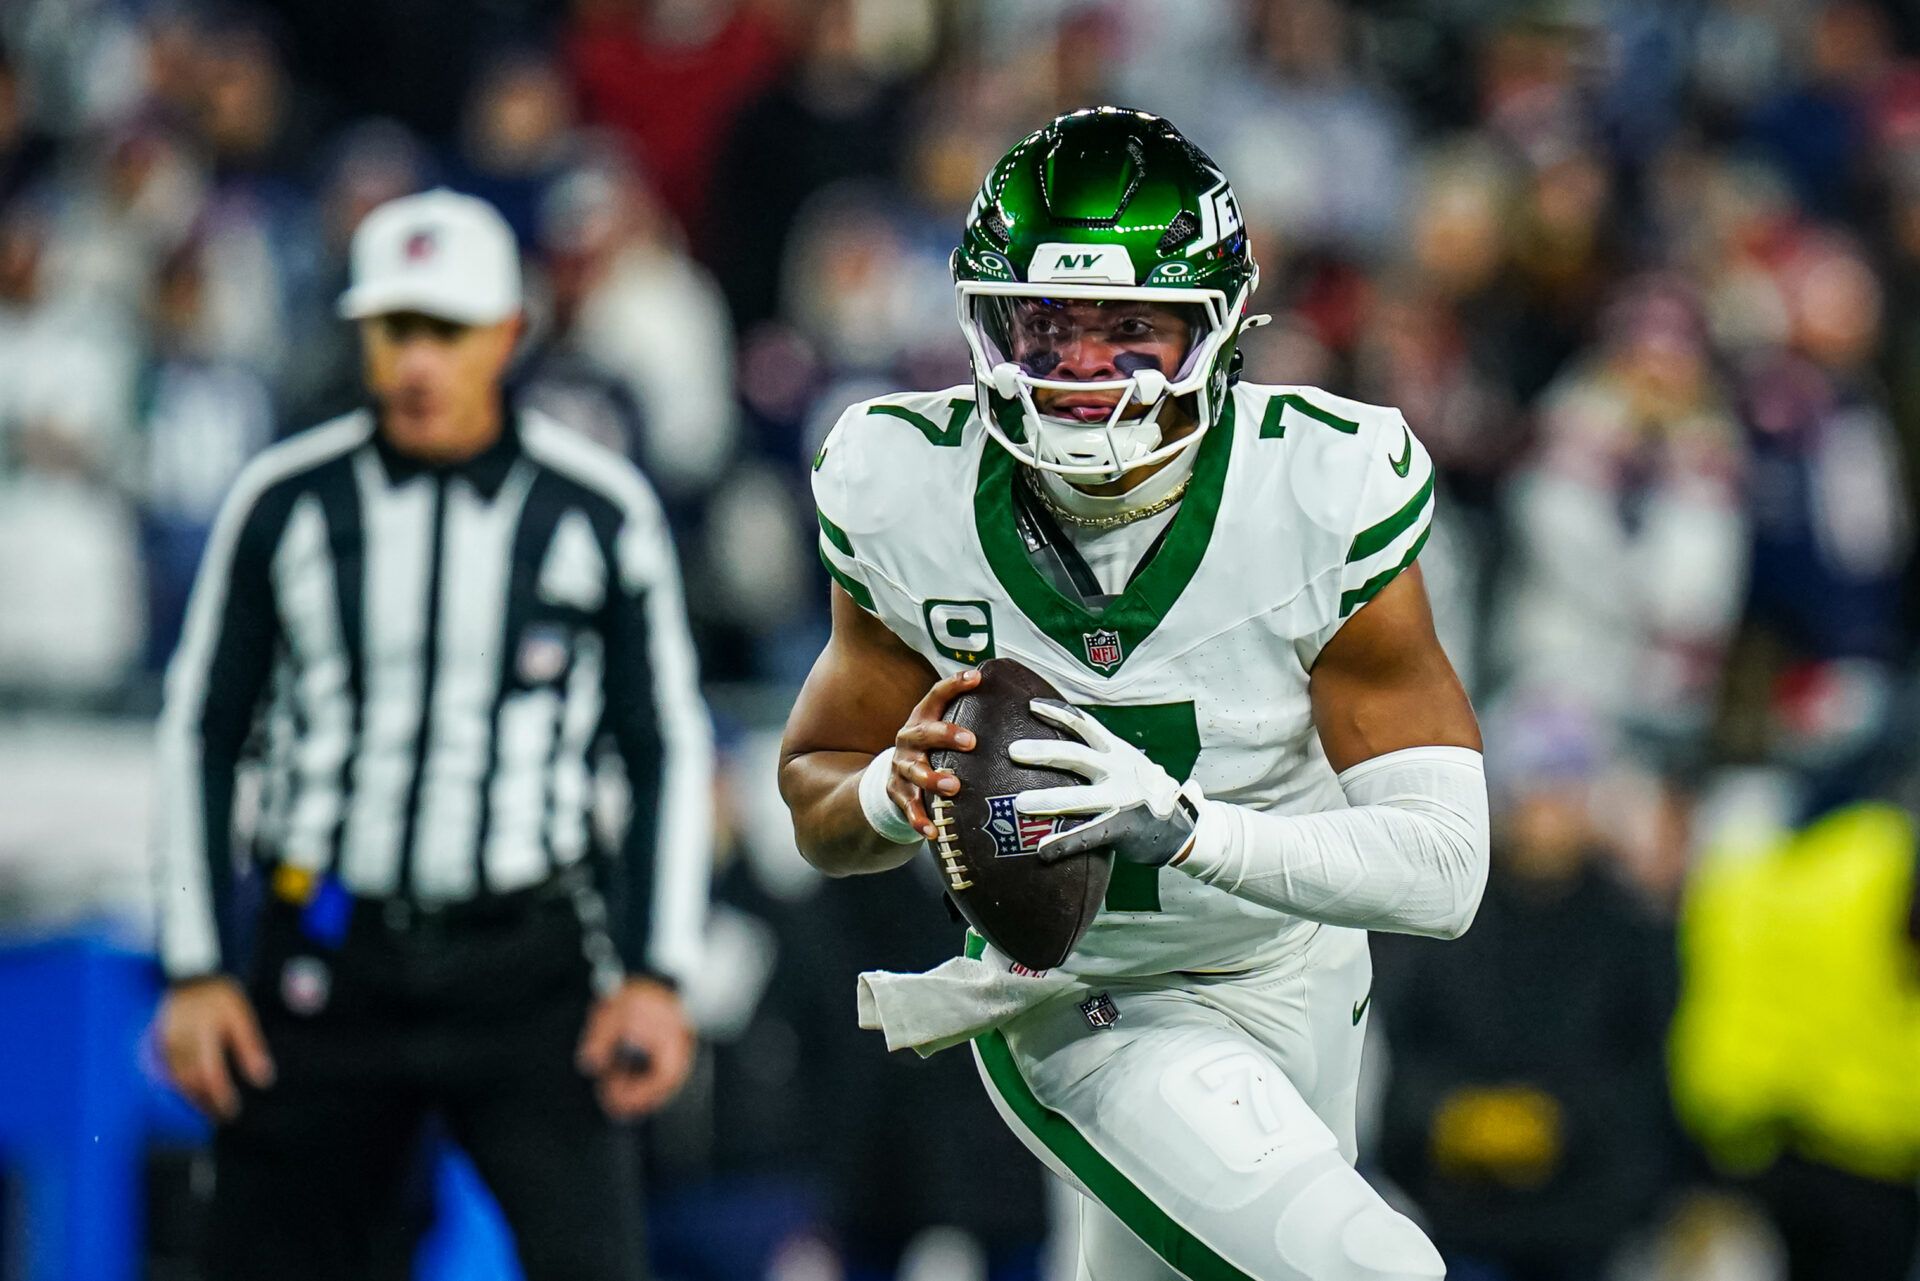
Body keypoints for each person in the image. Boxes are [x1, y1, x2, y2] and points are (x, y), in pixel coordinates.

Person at [779, 107, 1488, 1280]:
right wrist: (891, 800)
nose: (1084, 370)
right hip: (1083, 991)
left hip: (1297, 971)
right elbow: (818, 793)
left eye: (1132, 330)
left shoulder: (1322, 485)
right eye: (1047, 328)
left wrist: (1195, 832)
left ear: (1219, 329)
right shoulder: (900, 486)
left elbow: (1445, 871)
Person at [151, 188, 714, 1281]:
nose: (418, 363)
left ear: (507, 334)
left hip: (531, 963)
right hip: (325, 955)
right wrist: (197, 965)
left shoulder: (598, 510)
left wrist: (657, 971)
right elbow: (201, 731)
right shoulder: (285, 503)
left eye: (446, 332)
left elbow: (663, 748)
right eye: (397, 331)